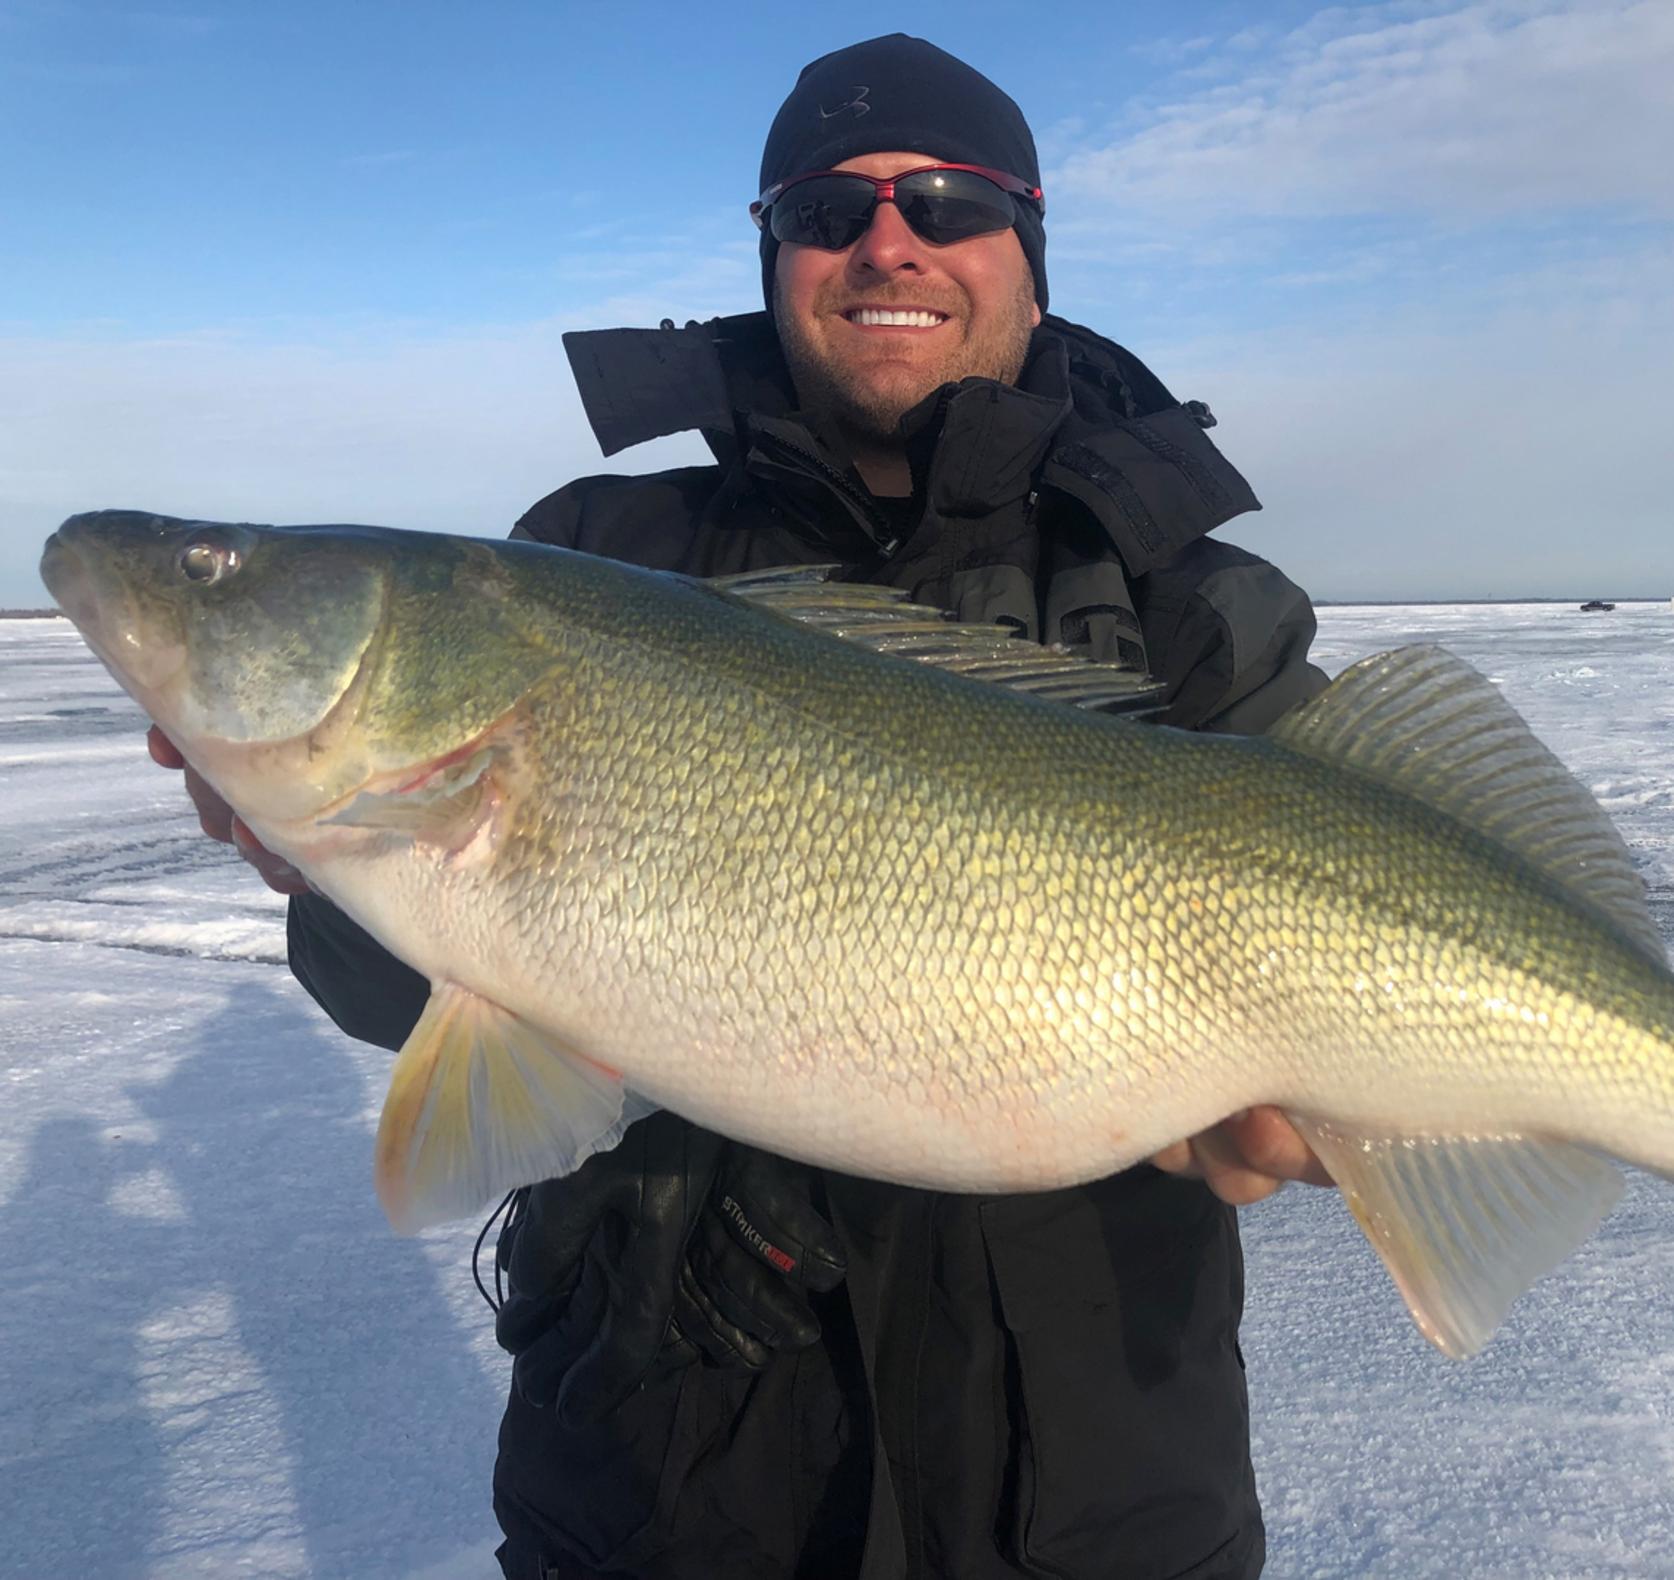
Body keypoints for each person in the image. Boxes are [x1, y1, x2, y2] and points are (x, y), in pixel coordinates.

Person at [152, 34, 1335, 1580]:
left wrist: (1323, 1122)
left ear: (1027, 258)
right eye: (826, 212)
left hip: (1096, 1498)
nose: (886, 243)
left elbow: (1341, 991)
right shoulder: (593, 563)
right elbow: (433, 999)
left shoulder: (1197, 609)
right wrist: (332, 881)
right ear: (774, 260)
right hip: (666, 1484)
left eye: (946, 199)